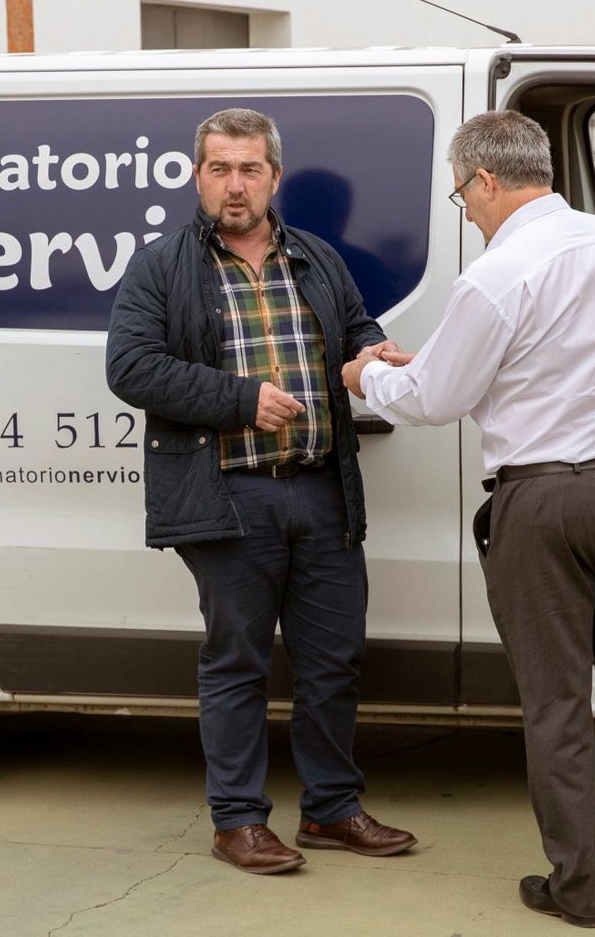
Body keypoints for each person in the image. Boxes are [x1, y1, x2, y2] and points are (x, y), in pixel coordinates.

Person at [345, 110, 595, 927]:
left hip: (548, 500)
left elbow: (437, 399)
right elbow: (594, 353)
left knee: (557, 702)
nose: (466, 211)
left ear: (487, 181)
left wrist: (366, 377)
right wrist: (439, 364)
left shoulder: (496, 275)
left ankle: (577, 888)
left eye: (462, 195)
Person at [105, 108, 416, 875]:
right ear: (198, 176)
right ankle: (237, 821)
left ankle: (332, 808)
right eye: (220, 169)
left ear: (274, 177)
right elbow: (131, 367)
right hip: (228, 494)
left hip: (322, 489)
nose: (234, 185)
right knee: (236, 663)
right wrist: (241, 399)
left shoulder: (316, 257)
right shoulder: (162, 265)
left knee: (334, 661)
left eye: (249, 169)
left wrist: (372, 353)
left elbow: (352, 328)